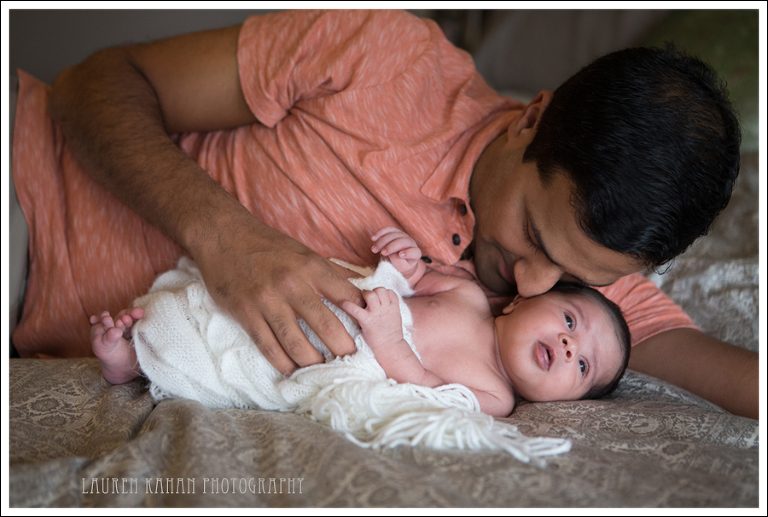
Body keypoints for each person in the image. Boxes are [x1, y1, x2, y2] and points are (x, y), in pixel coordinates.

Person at [13, 10, 757, 418]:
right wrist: (225, 238)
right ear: (534, 118)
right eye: (532, 235)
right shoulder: (381, 53)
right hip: (27, 186)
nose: (534, 286)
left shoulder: (583, 302)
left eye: (573, 275)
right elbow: (93, 85)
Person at [90, 227, 631, 418]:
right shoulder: (467, 292)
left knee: (239, 367)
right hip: (336, 307)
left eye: (582, 365)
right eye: (569, 320)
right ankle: (148, 331)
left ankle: (131, 363)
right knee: (226, 306)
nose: (566, 345)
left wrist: (392, 342)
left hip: (343, 357)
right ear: (518, 301)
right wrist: (404, 256)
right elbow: (411, 276)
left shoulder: (495, 395)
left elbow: (423, 390)